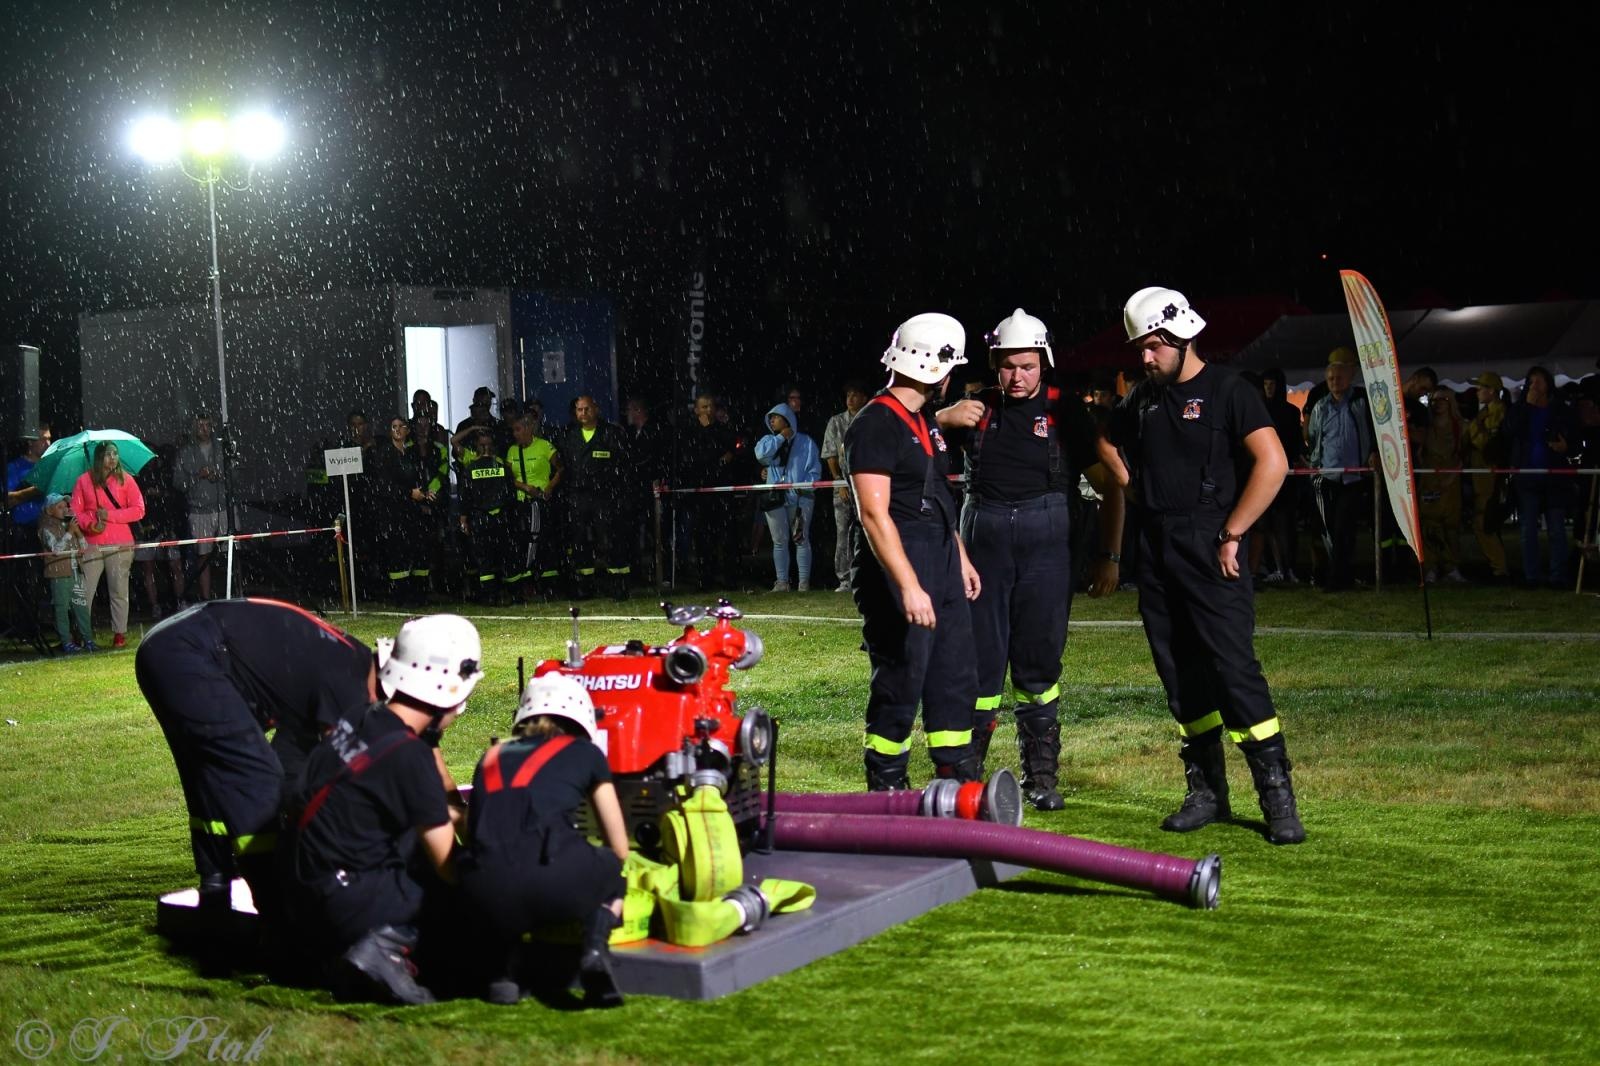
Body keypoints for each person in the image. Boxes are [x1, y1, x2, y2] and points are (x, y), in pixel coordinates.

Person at [1108, 286, 1305, 845]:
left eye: (1152, 347)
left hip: (1211, 542)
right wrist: (1130, 487)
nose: (1144, 358)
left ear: (1182, 335)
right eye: (1140, 348)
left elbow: (1274, 462)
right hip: (1157, 547)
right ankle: (1208, 792)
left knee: (1233, 669)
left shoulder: (1229, 390)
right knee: (1179, 673)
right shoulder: (1143, 399)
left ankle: (1276, 796)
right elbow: (1103, 441)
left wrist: (1233, 531)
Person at [934, 308, 1125, 811]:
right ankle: (966, 776)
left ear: (1044, 363)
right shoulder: (972, 410)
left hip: (1048, 544)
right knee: (980, 665)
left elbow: (1111, 487)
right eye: (1007, 367)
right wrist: (940, 417)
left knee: (1040, 664)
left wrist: (1110, 556)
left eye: (1027, 366)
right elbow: (901, 441)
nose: (1017, 377)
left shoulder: (1067, 414)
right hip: (984, 543)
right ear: (994, 365)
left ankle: (1041, 777)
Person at [134, 598, 379, 920]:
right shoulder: (352, 677)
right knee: (257, 779)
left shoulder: (337, 665)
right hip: (192, 649)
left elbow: (297, 768)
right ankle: (274, 902)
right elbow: (341, 772)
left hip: (172, 644)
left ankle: (216, 881)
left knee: (208, 772)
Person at [287, 614, 481, 1005]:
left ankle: (348, 948)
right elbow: (449, 864)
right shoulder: (410, 757)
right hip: (344, 898)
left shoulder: (362, 717)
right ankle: (385, 946)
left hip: (298, 887)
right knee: (469, 892)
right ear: (452, 688)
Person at [843, 312, 982, 790]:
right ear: (941, 371)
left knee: (954, 674)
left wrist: (957, 555)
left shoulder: (921, 421)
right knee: (902, 679)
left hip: (939, 556)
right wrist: (908, 585)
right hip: (901, 560)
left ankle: (956, 779)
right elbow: (875, 515)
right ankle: (886, 787)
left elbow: (936, 495)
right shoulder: (874, 424)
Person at [458, 673, 630, 1007]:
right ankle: (595, 948)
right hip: (555, 885)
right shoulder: (586, 753)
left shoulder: (490, 756)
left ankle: (502, 974)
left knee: (501, 869)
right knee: (613, 871)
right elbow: (619, 846)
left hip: (480, 894)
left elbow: (476, 828)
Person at [1305, 346, 1374, 592]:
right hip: (1326, 477)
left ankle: (1337, 579)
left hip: (1354, 477)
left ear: (1351, 376)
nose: (1335, 382)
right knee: (1329, 530)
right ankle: (1339, 575)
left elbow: (1373, 432)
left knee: (1345, 527)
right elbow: (1313, 438)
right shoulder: (1320, 407)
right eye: (1331, 378)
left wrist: (1372, 454)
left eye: (1340, 377)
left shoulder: (1361, 402)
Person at [1505, 366, 1581, 588]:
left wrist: (1566, 447)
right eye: (1531, 381)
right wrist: (1526, 405)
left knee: (1557, 529)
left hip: (1554, 478)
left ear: (1548, 384)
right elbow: (1510, 431)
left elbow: (1575, 439)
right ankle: (1532, 576)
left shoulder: (1561, 410)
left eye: (1539, 381)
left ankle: (1558, 575)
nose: (1534, 385)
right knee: (1528, 529)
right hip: (1527, 477)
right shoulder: (1520, 409)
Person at [71, 441, 145, 650]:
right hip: (92, 543)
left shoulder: (126, 480)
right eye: (108, 454)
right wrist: (92, 522)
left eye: (115, 453)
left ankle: (119, 633)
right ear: (98, 457)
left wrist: (109, 515)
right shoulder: (83, 481)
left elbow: (139, 510)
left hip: (120, 543)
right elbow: (76, 512)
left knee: (119, 590)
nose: (112, 457)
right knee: (85, 591)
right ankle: (82, 633)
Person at [558, 395, 632, 600]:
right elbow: (564, 466)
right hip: (578, 496)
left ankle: (618, 584)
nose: (583, 414)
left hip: (605, 496)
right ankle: (584, 585)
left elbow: (623, 465)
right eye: (579, 410)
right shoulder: (569, 435)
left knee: (610, 539)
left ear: (596, 409)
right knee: (580, 540)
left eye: (587, 409)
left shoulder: (612, 433)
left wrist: (618, 493)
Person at [756, 401, 822, 592]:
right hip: (775, 499)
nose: (772, 421)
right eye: (770, 418)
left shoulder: (807, 442)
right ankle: (782, 582)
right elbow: (760, 455)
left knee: (801, 539)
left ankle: (803, 584)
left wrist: (803, 489)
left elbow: (814, 470)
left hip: (801, 499)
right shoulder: (769, 440)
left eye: (775, 417)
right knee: (779, 541)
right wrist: (780, 439)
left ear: (787, 420)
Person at [1251, 367, 1305, 584]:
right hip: (1261, 475)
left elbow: (1295, 443)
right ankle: (1270, 568)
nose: (1269, 388)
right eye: (1265, 384)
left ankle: (1287, 568)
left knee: (1283, 524)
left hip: (1284, 477)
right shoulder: (1258, 410)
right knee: (1263, 525)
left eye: (1272, 384)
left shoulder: (1290, 412)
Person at [681, 391, 739, 590]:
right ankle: (706, 578)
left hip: (722, 493)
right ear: (696, 410)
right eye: (703, 407)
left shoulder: (723, 430)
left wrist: (718, 452)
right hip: (701, 494)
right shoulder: (689, 433)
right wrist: (716, 457)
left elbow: (731, 452)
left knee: (728, 537)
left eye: (710, 406)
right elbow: (695, 459)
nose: (708, 410)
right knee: (704, 539)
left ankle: (731, 578)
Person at [455, 425, 518, 605]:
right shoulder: (502, 467)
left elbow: (464, 497)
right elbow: (510, 495)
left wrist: (464, 519)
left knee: (484, 560)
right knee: (504, 556)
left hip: (480, 518)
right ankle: (510, 594)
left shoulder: (470, 469)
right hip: (500, 518)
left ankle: (489, 596)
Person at [505, 407, 563, 600]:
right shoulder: (512, 451)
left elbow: (560, 469)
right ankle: (528, 583)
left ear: (529, 429)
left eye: (518, 429)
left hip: (540, 502)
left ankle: (546, 585)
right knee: (526, 541)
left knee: (541, 540)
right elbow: (507, 477)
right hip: (522, 502)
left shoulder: (545, 446)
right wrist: (524, 487)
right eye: (514, 430)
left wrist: (549, 488)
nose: (515, 434)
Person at [173, 413, 228, 601]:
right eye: (200, 425)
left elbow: (236, 474)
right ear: (194, 427)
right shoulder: (185, 452)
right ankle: (206, 599)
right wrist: (198, 476)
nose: (204, 429)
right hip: (199, 511)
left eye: (207, 425)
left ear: (212, 426)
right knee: (203, 557)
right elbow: (178, 483)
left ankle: (231, 594)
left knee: (229, 554)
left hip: (223, 508)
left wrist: (219, 475)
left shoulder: (223, 448)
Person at [822, 381, 870, 592]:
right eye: (848, 395)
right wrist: (840, 482)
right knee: (843, 533)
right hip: (844, 484)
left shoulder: (871, 419)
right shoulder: (836, 421)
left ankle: (867, 575)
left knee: (869, 531)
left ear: (864, 398)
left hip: (868, 485)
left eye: (855, 394)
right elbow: (830, 454)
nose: (850, 399)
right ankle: (844, 579)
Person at [1417, 385, 1468, 584]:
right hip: (1430, 481)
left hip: (1451, 482)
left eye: (1442, 400)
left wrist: (1452, 475)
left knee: (1451, 527)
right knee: (1429, 525)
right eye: (1434, 400)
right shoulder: (1427, 427)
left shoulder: (1460, 427)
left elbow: (1464, 455)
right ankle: (1431, 567)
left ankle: (1452, 567)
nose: (1438, 404)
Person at [1464, 371, 1510, 580]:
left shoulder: (1498, 412)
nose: (1477, 392)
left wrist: (1472, 427)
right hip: (1481, 476)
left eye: (1481, 388)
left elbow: (1483, 443)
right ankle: (1497, 566)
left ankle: (1499, 569)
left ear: (1492, 391)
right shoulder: (1486, 413)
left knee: (1484, 523)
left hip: (1489, 477)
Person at [37, 492, 93, 652]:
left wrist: (77, 532)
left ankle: (88, 640)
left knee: (81, 607)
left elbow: (84, 547)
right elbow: (56, 549)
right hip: (58, 574)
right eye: (60, 507)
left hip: (76, 572)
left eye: (66, 506)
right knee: (61, 609)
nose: (65, 509)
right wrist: (70, 532)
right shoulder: (45, 528)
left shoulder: (68, 525)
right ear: (49, 510)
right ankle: (66, 642)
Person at [4, 424, 51, 553]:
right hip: (25, 534)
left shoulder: (52, 467)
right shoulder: (14, 468)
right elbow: (6, 500)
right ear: (30, 441)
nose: (47, 443)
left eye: (49, 439)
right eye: (42, 439)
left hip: (51, 531)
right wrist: (33, 491)